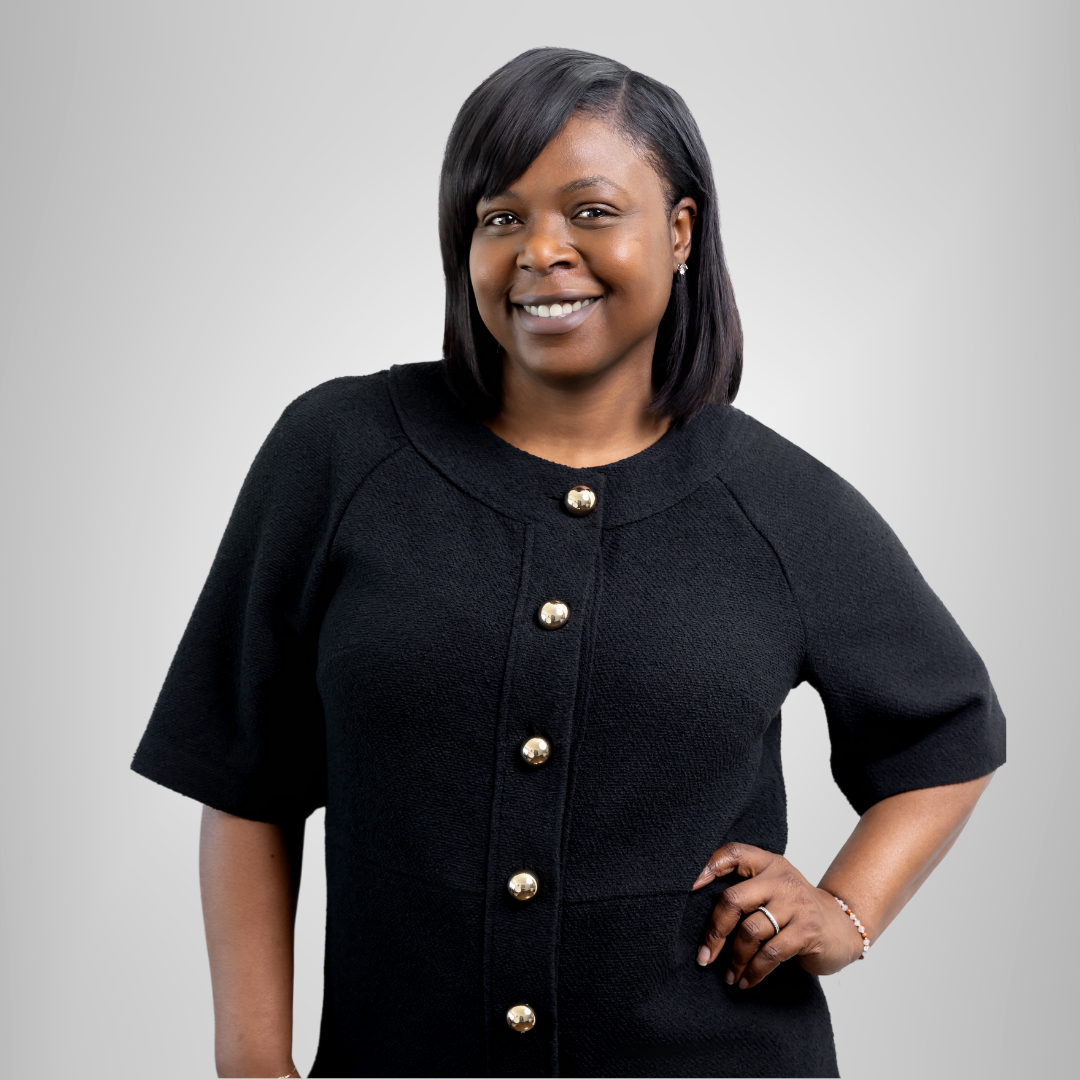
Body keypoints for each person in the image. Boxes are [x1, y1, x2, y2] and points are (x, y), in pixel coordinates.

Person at [132, 47, 1005, 1079]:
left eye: (591, 211)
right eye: (499, 217)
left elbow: (949, 728)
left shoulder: (776, 502)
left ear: (679, 232)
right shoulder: (339, 452)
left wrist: (848, 911)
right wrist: (252, 1065)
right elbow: (246, 779)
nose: (541, 250)